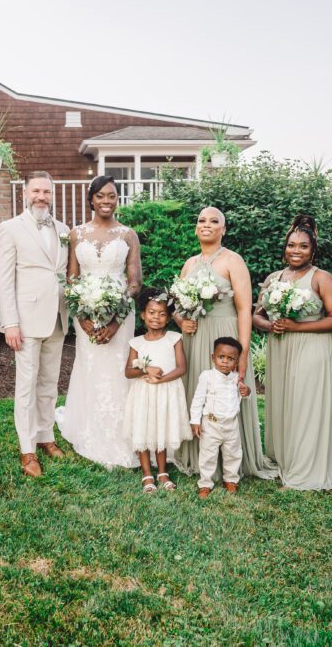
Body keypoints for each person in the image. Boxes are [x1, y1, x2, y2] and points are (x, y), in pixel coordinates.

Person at [173, 207, 277, 480]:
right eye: (201, 220)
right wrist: (182, 322)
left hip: (226, 335)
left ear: (223, 229)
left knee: (228, 393)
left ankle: (232, 462)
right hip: (196, 338)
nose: (206, 225)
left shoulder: (233, 260)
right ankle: (199, 456)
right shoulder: (189, 263)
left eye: (214, 221)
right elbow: (179, 308)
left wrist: (242, 352)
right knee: (199, 391)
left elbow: (244, 309)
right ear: (196, 228)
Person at [55, 175, 141, 469]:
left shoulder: (128, 235)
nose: (107, 201)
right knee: (91, 367)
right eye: (101, 196)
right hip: (86, 316)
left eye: (112, 196)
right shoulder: (76, 234)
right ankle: (89, 429)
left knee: (119, 369)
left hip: (121, 316)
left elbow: (134, 283)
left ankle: (122, 434)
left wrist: (116, 320)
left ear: (118, 200)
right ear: (91, 199)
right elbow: (72, 278)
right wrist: (82, 318)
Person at [253, 215, 332, 490]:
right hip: (281, 347)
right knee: (283, 401)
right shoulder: (274, 278)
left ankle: (306, 467)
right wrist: (270, 324)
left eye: (303, 246)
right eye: (291, 245)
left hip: (312, 348)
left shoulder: (322, 279)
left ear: (313, 249)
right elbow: (256, 315)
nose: (296, 250)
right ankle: (284, 458)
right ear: (285, 247)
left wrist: (297, 326)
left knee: (306, 404)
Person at [0, 171, 70, 477]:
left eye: (47, 192)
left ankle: (46, 436)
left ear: (52, 195)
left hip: (57, 317)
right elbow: (4, 278)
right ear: (25, 193)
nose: (41, 196)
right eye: (36, 191)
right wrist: (9, 322)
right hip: (25, 321)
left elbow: (64, 273)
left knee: (50, 383)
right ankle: (27, 449)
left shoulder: (64, 229)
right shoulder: (10, 228)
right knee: (26, 385)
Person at [123, 289, 191, 492]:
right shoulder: (136, 342)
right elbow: (128, 372)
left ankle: (162, 472)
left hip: (165, 392)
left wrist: (160, 380)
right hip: (143, 394)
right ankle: (146, 474)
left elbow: (182, 368)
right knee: (143, 430)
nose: (156, 318)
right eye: (152, 312)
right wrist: (146, 369)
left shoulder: (174, 338)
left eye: (162, 314)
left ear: (169, 317)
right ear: (143, 314)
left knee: (160, 428)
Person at [190, 337, 251, 498]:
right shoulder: (207, 376)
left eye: (230, 359)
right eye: (221, 357)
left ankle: (231, 479)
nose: (225, 362)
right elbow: (198, 399)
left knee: (233, 453)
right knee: (208, 455)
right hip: (211, 424)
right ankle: (205, 483)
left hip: (231, 425)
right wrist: (195, 421)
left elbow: (242, 395)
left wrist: (247, 392)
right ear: (213, 357)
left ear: (236, 362)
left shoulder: (236, 378)